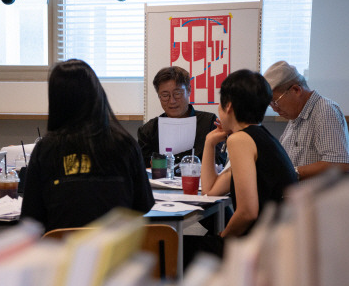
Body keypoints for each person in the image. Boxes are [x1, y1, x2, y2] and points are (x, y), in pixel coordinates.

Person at [21, 59, 154, 232]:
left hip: (62, 255)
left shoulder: (46, 149)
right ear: (97, 94)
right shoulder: (125, 144)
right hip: (116, 254)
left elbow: (31, 218)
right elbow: (143, 206)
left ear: (56, 101)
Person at [184, 69, 298, 267]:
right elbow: (211, 190)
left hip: (263, 245)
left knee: (172, 248)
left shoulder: (240, 139)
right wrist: (210, 143)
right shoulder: (259, 136)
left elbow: (247, 212)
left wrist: (223, 236)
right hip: (280, 241)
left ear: (228, 106)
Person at [264, 61, 349, 180]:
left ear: (296, 90)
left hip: (319, 197)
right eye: (270, 104)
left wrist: (293, 173)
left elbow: (339, 163)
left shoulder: (325, 110)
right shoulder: (295, 116)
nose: (274, 108)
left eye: (275, 101)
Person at [138, 66, 226, 167]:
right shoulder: (148, 130)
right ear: (159, 96)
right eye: (165, 95)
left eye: (177, 93)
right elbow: (142, 170)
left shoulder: (209, 123)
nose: (172, 101)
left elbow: (218, 163)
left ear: (189, 90)